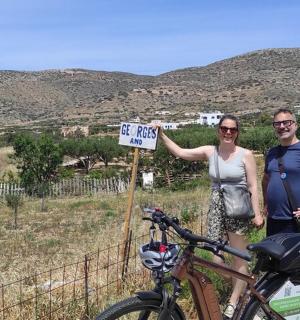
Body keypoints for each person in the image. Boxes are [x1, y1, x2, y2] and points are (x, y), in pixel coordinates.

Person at [155, 115, 264, 319]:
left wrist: (257, 213)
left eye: (232, 129)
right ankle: (242, 285)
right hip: (216, 209)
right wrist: (162, 135)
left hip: (238, 208)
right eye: (224, 128)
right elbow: (180, 152)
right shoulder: (210, 151)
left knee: (239, 256)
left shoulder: (245, 154)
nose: (228, 132)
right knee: (216, 257)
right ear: (218, 130)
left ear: (237, 132)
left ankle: (234, 300)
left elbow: (252, 186)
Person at [262, 108, 300, 236]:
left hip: (295, 220)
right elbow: (266, 179)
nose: (282, 126)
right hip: (273, 219)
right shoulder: (272, 153)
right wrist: (266, 203)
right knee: (274, 256)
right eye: (277, 124)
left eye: (286, 122)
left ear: (296, 125)